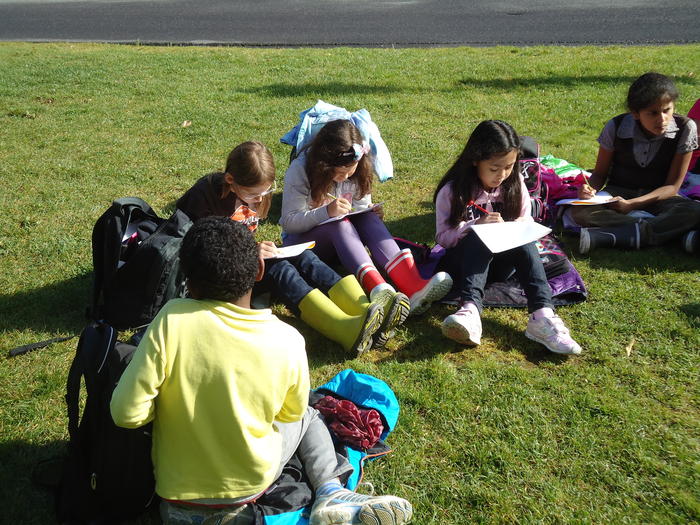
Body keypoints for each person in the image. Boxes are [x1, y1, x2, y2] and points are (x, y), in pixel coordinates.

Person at [110, 217, 414, 525]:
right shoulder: (288, 339)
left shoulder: (170, 320)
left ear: (187, 278)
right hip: (251, 486)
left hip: (175, 499)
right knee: (310, 415)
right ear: (259, 270)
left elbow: (126, 414)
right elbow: (291, 413)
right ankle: (330, 491)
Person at [176, 141, 409, 354]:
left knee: (304, 256)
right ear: (230, 180)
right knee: (281, 271)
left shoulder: (247, 194)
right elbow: (196, 253)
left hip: (244, 258)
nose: (260, 200)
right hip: (221, 276)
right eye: (255, 194)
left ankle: (366, 310)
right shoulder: (204, 197)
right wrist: (250, 251)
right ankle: (345, 330)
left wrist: (255, 248)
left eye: (266, 192)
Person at [433, 120, 581, 355]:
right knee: (480, 236)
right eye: (494, 168)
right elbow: (443, 237)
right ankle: (470, 310)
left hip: (501, 267)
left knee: (523, 239)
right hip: (463, 265)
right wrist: (473, 226)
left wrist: (515, 228)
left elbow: (525, 220)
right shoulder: (453, 190)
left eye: (509, 167)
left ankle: (542, 315)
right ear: (475, 160)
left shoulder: (515, 183)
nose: (501, 175)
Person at [280, 119, 452, 316]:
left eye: (350, 170)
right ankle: (377, 288)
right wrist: (326, 212)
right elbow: (289, 223)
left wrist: (370, 211)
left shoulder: (360, 167)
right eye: (340, 172)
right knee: (339, 224)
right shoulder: (301, 168)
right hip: (302, 247)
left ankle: (413, 286)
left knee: (368, 218)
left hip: (344, 245)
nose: (346, 176)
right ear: (324, 163)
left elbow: (360, 207)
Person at [572, 72, 700, 253]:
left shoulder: (685, 128)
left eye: (667, 110)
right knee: (580, 212)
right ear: (635, 113)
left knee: (694, 211)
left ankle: (628, 233)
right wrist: (589, 189)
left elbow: (672, 186)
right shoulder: (616, 126)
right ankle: (662, 231)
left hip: (660, 197)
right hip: (618, 194)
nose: (662, 119)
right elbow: (600, 174)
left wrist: (633, 204)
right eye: (653, 113)